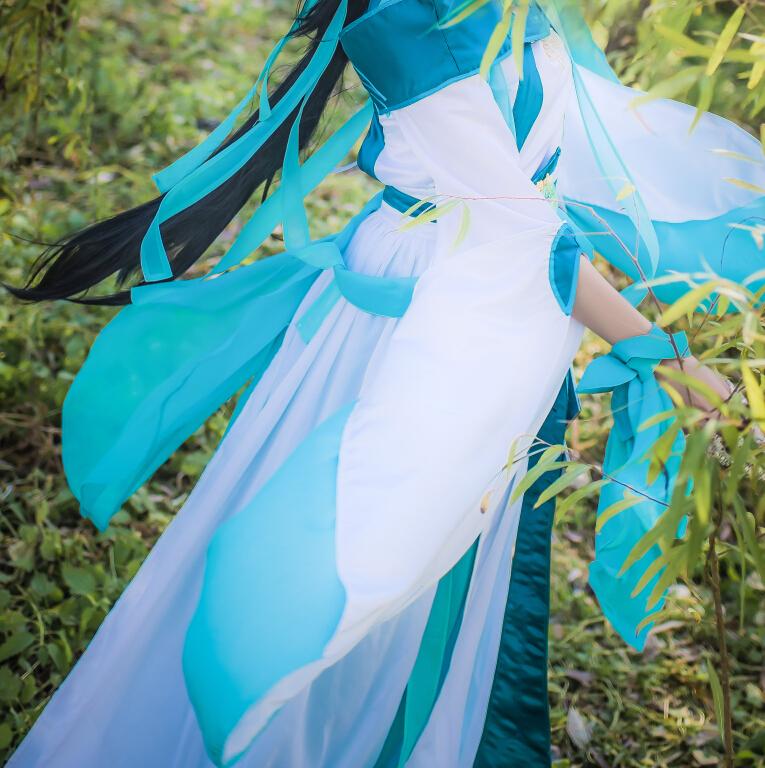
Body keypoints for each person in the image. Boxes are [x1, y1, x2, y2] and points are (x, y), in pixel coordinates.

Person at [6, 0, 757, 766]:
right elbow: (521, 227)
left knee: (422, 565)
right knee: (355, 561)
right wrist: (670, 362)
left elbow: (574, 145)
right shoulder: (412, 17)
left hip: (487, 305)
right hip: (431, 315)